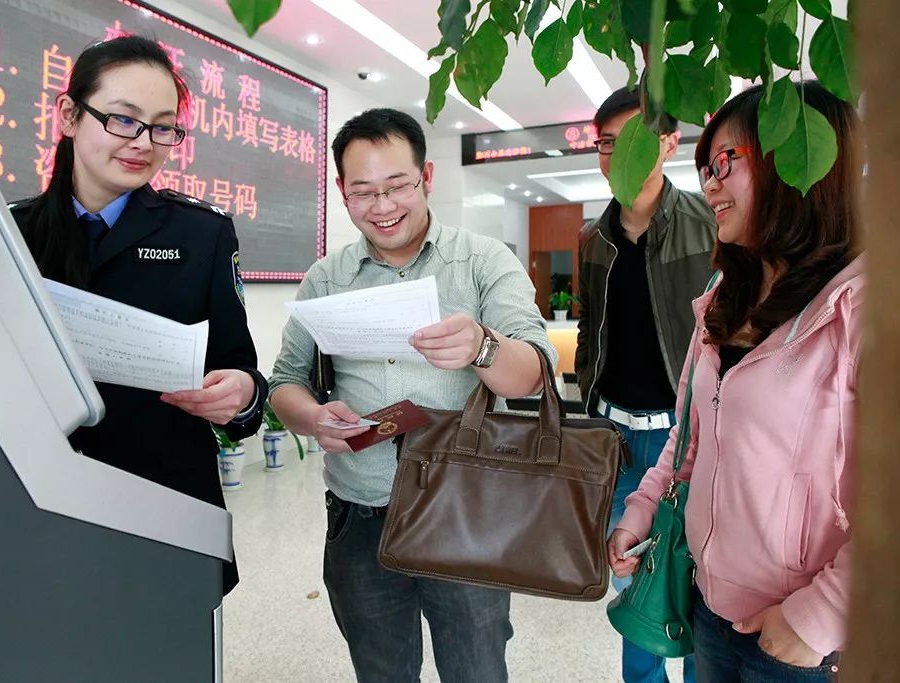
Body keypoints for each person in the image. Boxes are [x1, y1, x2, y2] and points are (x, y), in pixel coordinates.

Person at [268, 108, 556, 683]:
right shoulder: (326, 276)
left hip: (466, 515)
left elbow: (535, 374)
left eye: (397, 185)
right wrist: (314, 417)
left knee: (476, 669)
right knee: (381, 671)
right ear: (344, 196)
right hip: (360, 516)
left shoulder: (482, 261)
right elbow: (283, 383)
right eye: (363, 192)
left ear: (427, 176)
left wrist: (482, 347)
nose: (383, 206)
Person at [609, 81, 861, 682]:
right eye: (705, 168)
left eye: (726, 162)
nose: (710, 184)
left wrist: (821, 614)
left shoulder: (861, 306)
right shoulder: (724, 301)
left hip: (803, 637)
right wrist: (642, 508)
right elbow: (690, 435)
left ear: (803, 161)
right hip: (710, 606)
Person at [9, 36, 267, 593]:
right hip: (35, 502)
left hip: (167, 500)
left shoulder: (201, 234)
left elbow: (242, 371)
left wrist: (240, 393)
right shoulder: (10, 233)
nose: (144, 143)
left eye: (163, 127)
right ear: (69, 116)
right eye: (124, 120)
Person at [576, 86, 715, 683]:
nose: (615, 156)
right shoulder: (593, 239)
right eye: (605, 144)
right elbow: (591, 336)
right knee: (637, 595)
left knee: (704, 591)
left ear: (667, 141)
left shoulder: (712, 227)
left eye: (631, 140)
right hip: (616, 443)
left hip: (689, 445)